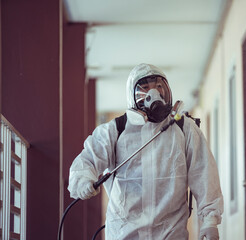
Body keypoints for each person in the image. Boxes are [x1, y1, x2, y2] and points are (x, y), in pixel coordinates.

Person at [68, 63, 224, 240]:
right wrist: (83, 181)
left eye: (159, 87)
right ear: (132, 95)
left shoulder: (183, 128)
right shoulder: (115, 131)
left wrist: (210, 220)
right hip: (124, 234)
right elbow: (86, 161)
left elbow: (203, 172)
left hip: (171, 234)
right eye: (145, 88)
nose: (154, 94)